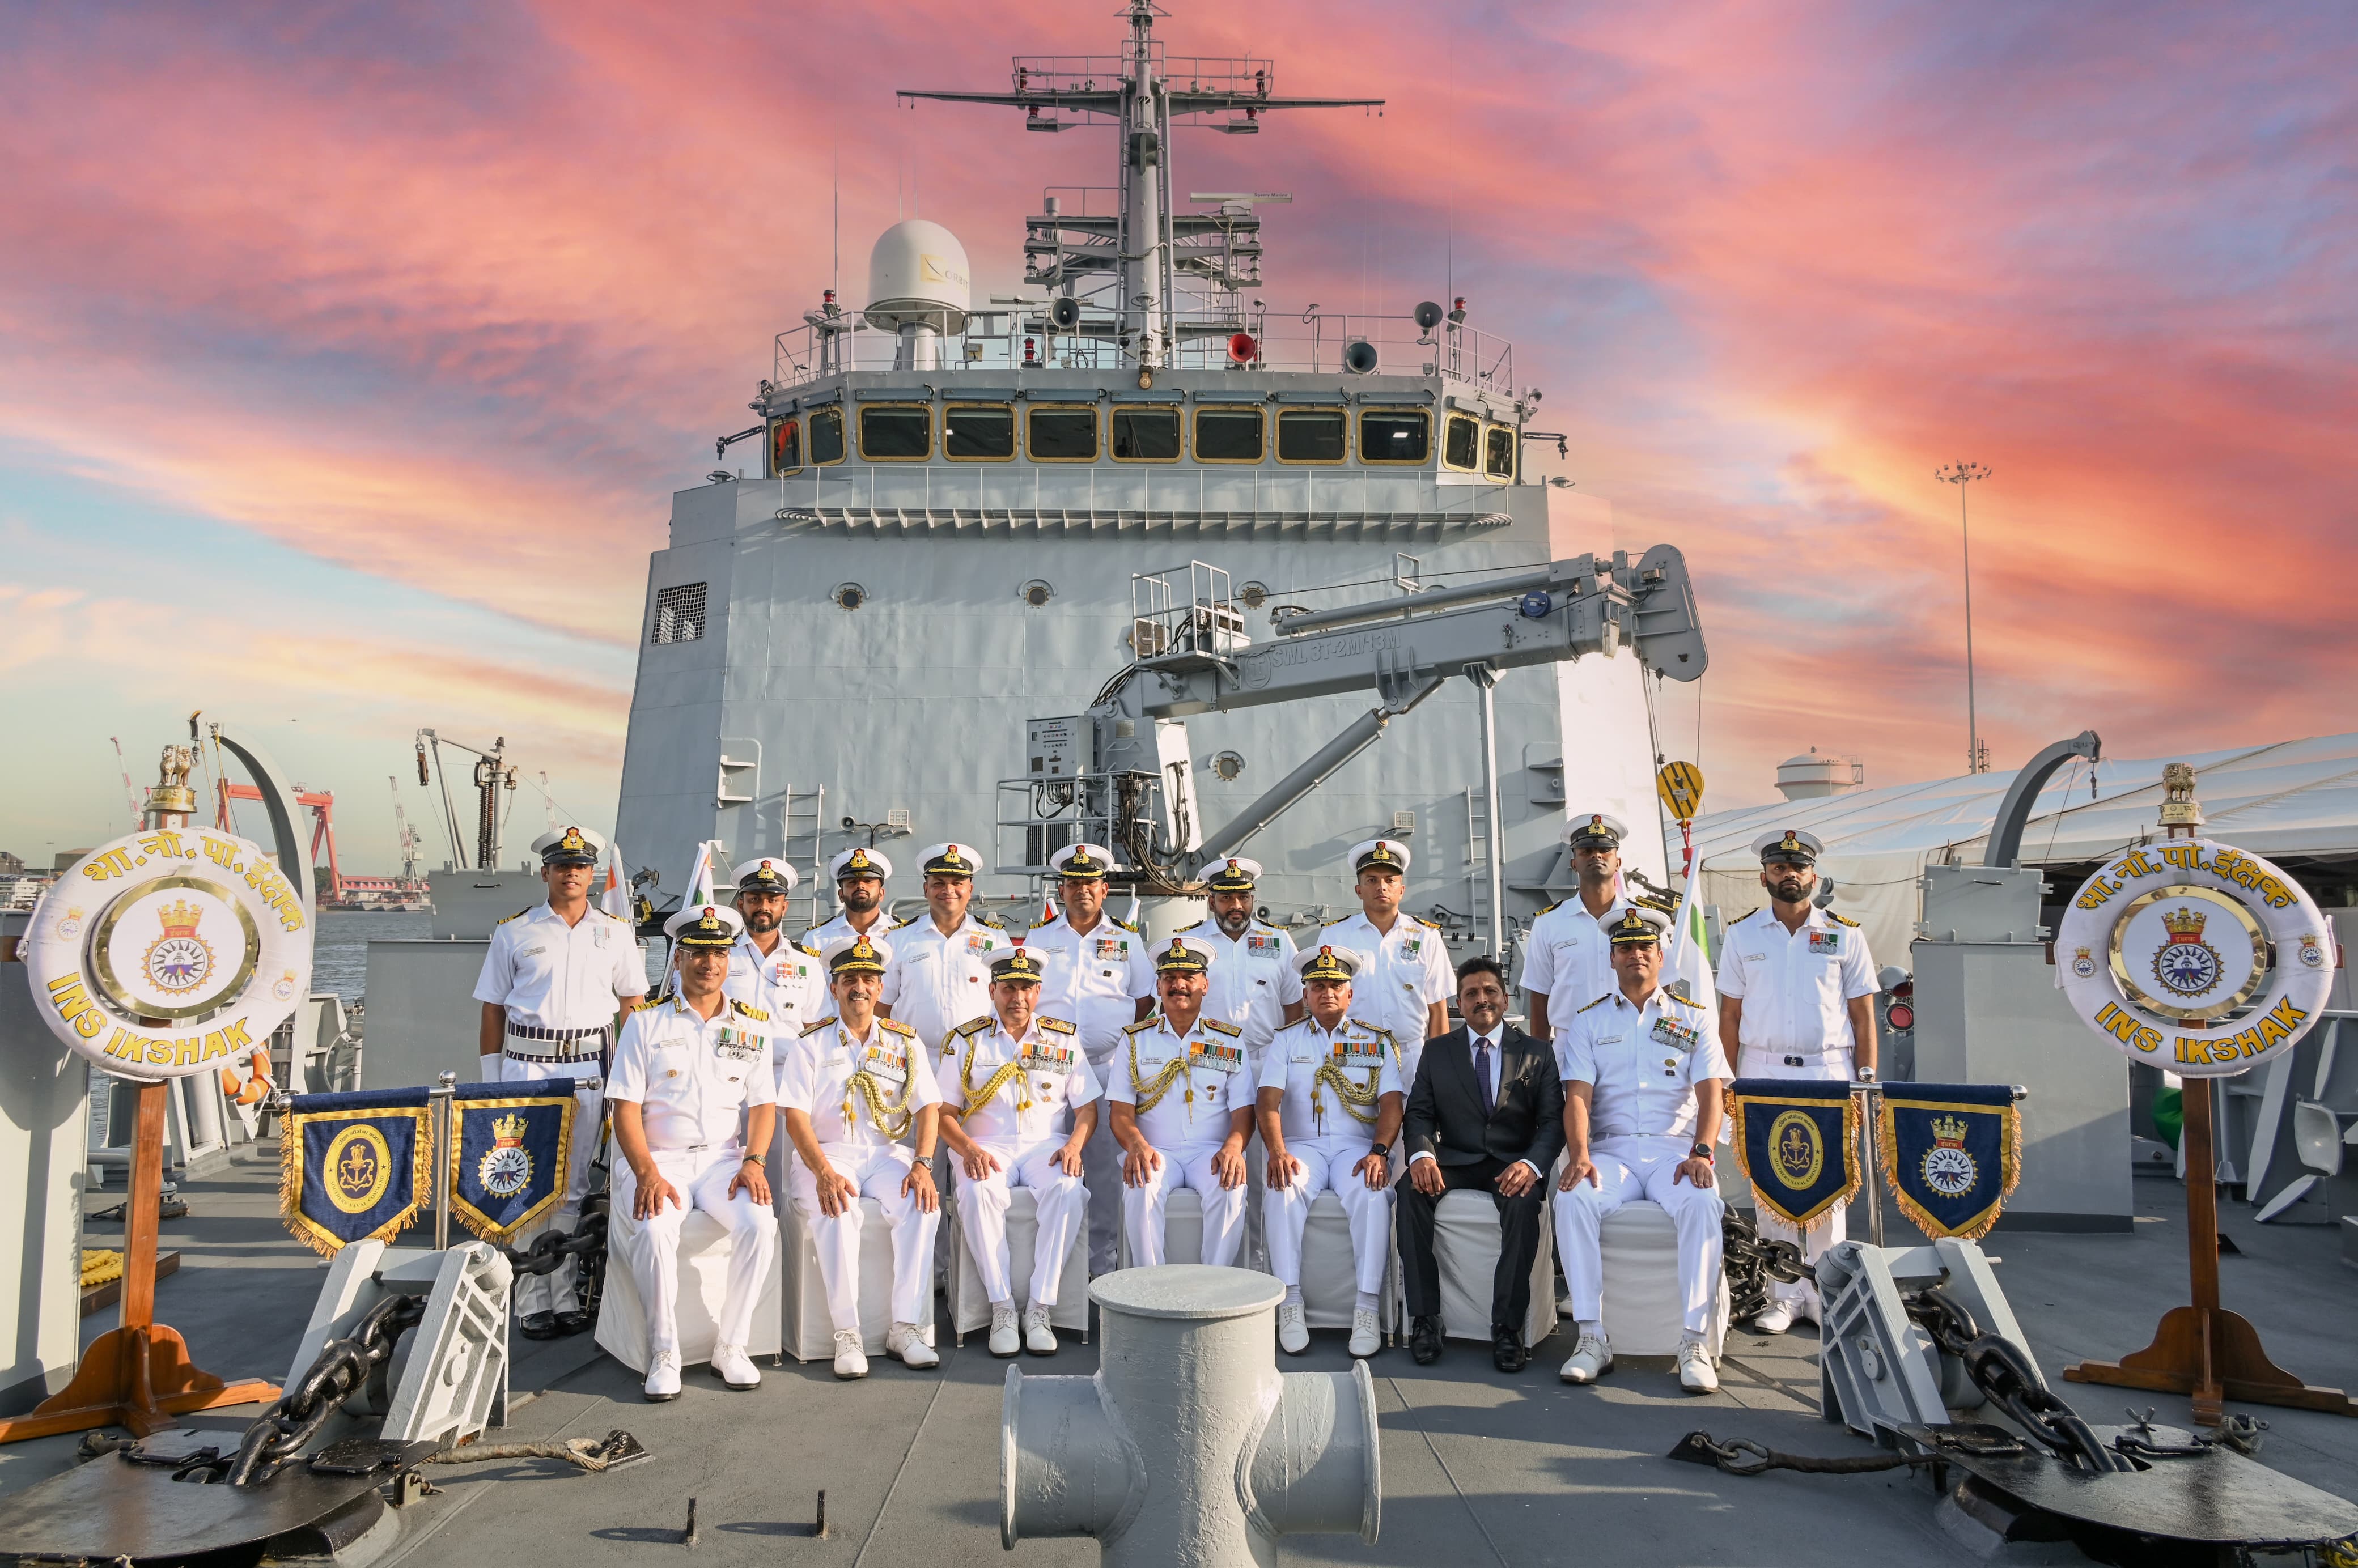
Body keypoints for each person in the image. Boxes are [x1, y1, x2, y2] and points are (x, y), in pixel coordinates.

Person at [472, 825, 647, 1338]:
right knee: (528, 1185)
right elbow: (493, 1008)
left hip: (590, 1068)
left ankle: (565, 1293)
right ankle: (530, 1299)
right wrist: (491, 1081)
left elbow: (631, 1006)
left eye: (581, 866)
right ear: (545, 871)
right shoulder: (515, 931)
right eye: (562, 865)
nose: (572, 873)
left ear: (592, 875)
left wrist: (630, 1075)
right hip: (526, 1069)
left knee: (571, 1189)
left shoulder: (616, 932)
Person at [606, 905, 781, 1401]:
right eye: (699, 953)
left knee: (760, 1222)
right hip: (660, 1158)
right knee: (657, 1224)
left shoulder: (753, 1026)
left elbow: (764, 1105)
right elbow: (624, 1109)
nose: (710, 963)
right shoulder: (644, 1023)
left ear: (729, 960)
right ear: (679, 959)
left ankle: (733, 1344)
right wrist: (645, 1172)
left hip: (723, 1161)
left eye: (720, 954)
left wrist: (754, 1160)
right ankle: (665, 1351)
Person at [1553, 907, 1731, 1393]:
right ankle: (1591, 1337)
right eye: (1626, 948)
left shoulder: (1692, 1018)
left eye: (1644, 947)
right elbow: (1577, 1097)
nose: (1635, 955)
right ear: (1612, 958)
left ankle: (1694, 1340)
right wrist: (1580, 1154)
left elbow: (1712, 1093)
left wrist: (1702, 1152)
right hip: (1610, 1152)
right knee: (1572, 1198)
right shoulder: (1588, 1021)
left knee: (1701, 1200)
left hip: (1675, 1149)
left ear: (1661, 955)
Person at [1715, 828, 1877, 1332]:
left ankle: (1828, 1292)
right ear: (1764, 876)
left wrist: (1866, 1078)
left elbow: (1864, 1015)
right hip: (1762, 1068)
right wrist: (1727, 1080)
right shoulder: (1743, 936)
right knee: (1770, 1183)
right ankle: (1783, 1294)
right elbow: (1730, 1016)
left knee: (1830, 1183)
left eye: (1799, 866)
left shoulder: (1846, 934)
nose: (1790, 874)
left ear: (1815, 874)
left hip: (1830, 1069)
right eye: (1780, 867)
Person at [778, 936, 944, 1378]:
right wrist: (824, 1172)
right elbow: (795, 1119)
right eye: (850, 978)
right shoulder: (809, 1046)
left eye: (869, 979)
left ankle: (905, 1328)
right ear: (834, 987)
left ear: (880, 987)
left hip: (885, 1153)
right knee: (838, 1210)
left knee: (921, 1205)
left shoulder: (903, 1042)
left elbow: (928, 1107)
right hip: (826, 1155)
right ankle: (847, 1333)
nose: (860, 987)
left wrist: (923, 1165)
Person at [1397, 954, 1565, 1372]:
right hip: (1455, 1159)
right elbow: (1418, 1112)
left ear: (1505, 998)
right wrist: (1421, 1154)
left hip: (1512, 1162)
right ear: (1459, 1002)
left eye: (1490, 991)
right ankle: (1425, 1318)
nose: (1482, 999)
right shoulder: (1436, 1052)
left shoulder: (1537, 1052)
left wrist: (1531, 1164)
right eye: (1471, 993)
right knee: (1408, 1191)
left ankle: (1507, 1327)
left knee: (1525, 1203)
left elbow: (1553, 1124)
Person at [937, 944, 1097, 1357]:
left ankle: (1040, 1307)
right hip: (986, 1145)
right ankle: (1003, 1305)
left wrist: (1075, 1146)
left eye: (1026, 988)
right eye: (1009, 988)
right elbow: (944, 1113)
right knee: (976, 1191)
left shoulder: (1063, 1039)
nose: (1018, 998)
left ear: (1038, 991)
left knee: (1068, 1188)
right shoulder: (966, 1040)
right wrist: (968, 1149)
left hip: (1046, 1145)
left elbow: (1087, 1108)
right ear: (993, 990)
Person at [1257, 946, 1401, 1359]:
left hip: (1357, 1147)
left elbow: (1391, 1103)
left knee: (1372, 1193)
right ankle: (1291, 1301)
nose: (1327, 993)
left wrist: (1380, 1151)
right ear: (1305, 994)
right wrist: (1278, 1151)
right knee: (1282, 1188)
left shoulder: (1376, 1041)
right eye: (1317, 986)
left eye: (1336, 985)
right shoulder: (1286, 1040)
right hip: (1303, 1146)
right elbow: (1268, 1102)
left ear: (1350, 994)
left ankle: (1367, 1306)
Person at [1019, 843, 1155, 1273]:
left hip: (1106, 1065)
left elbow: (1144, 999)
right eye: (1074, 883)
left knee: (1101, 1167)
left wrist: (1109, 1035)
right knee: (1047, 1159)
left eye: (1090, 883)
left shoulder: (1126, 940)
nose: (1082, 890)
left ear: (1105, 888)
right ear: (1062, 889)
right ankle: (1054, 1261)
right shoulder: (1039, 940)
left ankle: (1100, 1260)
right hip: (1046, 1068)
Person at [1173, 855, 1306, 1269]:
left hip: (1266, 1063)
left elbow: (1295, 1012)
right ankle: (1224, 1265)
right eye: (1227, 895)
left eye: (1243, 896)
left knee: (1272, 1164)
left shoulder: (1279, 942)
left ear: (1252, 898)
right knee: (1224, 1165)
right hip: (1209, 1068)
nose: (1236, 904)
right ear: (1211, 898)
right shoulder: (1192, 944)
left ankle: (1264, 1261)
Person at [1107, 937, 1256, 1268]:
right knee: (1141, 1185)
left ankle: (1214, 1288)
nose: (1179, 986)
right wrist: (1136, 1146)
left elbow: (1244, 1111)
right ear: (1159, 987)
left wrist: (1233, 1148)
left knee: (1229, 1186)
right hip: (1155, 1149)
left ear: (1205, 983)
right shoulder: (1134, 1041)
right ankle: (1152, 1287)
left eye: (1189, 977)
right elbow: (1120, 1113)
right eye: (1170, 979)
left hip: (1210, 1151)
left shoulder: (1229, 1041)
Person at [1318, 839, 1453, 1085]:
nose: (1381, 886)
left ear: (1401, 890)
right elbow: (1321, 1005)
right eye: (1371, 880)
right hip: (1351, 1054)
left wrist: (1440, 1067)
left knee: (1413, 1123)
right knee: (1351, 1123)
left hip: (1412, 1057)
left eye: (1390, 880)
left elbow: (1438, 1008)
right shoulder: (1334, 937)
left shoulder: (1427, 937)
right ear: (1358, 890)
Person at [1519, 813, 1648, 1042]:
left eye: (1605, 850)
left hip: (1633, 1041)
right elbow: (1540, 996)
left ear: (1618, 862)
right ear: (1574, 864)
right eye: (1586, 851)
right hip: (1570, 1044)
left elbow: (1662, 988)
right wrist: (1539, 1061)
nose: (1596, 855)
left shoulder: (1645, 920)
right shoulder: (1549, 923)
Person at [879, 842, 1012, 1052]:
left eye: (957, 883)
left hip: (978, 1056)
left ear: (970, 889)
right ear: (926, 889)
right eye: (939, 883)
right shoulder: (899, 939)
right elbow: (882, 1005)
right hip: (916, 1057)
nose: (948, 890)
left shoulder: (996, 938)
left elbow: (1010, 1000)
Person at [726, 857, 825, 1065]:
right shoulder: (722, 956)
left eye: (773, 900)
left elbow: (815, 1027)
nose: (764, 907)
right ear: (741, 904)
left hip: (786, 1074)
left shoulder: (807, 962)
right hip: (731, 1071)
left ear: (784, 907)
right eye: (755, 899)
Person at [803, 847, 897, 980]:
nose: (860, 886)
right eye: (852, 882)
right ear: (841, 895)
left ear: (881, 893)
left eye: (868, 881)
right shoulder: (817, 938)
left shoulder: (902, 934)